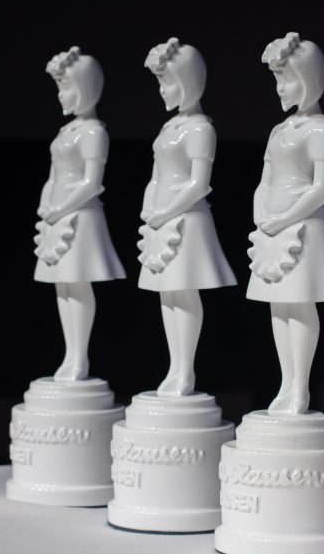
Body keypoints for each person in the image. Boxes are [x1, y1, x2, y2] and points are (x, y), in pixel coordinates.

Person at [247, 32, 324, 415]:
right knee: (278, 306)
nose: (281, 87)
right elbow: (265, 180)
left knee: (300, 303)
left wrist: (284, 217)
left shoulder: (323, 130)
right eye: (278, 78)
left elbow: (322, 188)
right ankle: (286, 382)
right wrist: (262, 214)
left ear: (309, 78)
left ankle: (301, 387)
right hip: (273, 227)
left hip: (303, 228)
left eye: (288, 77)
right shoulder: (279, 131)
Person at [138, 38, 236, 397]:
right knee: (167, 294)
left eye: (167, 81)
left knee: (185, 291)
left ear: (188, 80)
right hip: (161, 218)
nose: (163, 90)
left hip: (186, 219)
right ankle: (174, 366)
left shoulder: (200, 129)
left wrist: (166, 210)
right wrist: (149, 207)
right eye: (160, 82)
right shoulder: (169, 128)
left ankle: (186, 371)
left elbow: (199, 183)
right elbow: (155, 175)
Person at [35, 46, 125, 382]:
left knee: (78, 282)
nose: (62, 94)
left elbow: (92, 182)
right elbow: (54, 175)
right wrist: (46, 205)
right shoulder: (66, 132)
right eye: (60, 87)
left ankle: (80, 357)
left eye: (67, 86)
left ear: (86, 87)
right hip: (57, 215)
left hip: (80, 216)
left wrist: (61, 207)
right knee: (63, 286)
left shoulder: (94, 132)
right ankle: (69, 353)